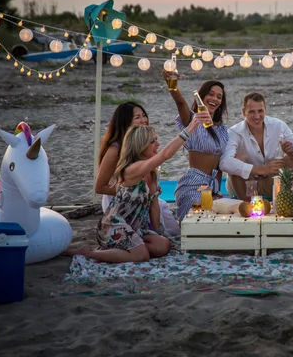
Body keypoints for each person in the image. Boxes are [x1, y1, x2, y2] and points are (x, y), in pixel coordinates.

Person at [66, 113, 211, 262]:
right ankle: (88, 253)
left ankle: (127, 249)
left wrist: (159, 233)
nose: (158, 144)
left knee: (164, 245)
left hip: (136, 228)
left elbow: (154, 204)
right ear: (140, 146)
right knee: (141, 256)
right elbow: (165, 154)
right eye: (152, 141)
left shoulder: (152, 171)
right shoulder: (132, 169)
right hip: (114, 226)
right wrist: (192, 126)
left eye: (156, 139)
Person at [94, 102, 178, 236]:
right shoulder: (115, 150)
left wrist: (149, 191)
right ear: (125, 122)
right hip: (120, 203)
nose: (143, 120)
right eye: (137, 117)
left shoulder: (144, 147)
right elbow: (99, 187)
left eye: (144, 115)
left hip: (145, 199)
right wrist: (136, 189)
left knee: (172, 229)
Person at [161, 70, 229, 221]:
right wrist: (171, 85)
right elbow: (180, 102)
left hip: (213, 187)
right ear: (201, 96)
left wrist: (216, 191)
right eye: (210, 94)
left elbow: (219, 165)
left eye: (219, 96)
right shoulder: (192, 119)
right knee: (197, 220)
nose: (214, 99)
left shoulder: (222, 129)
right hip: (193, 184)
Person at [220, 92, 293, 200]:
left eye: (260, 111)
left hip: (271, 182)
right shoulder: (234, 132)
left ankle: (284, 201)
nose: (257, 116)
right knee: (237, 160)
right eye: (252, 112)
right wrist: (260, 169)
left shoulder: (278, 125)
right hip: (245, 185)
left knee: (292, 159)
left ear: (265, 109)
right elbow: (224, 162)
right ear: (243, 112)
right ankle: (247, 206)